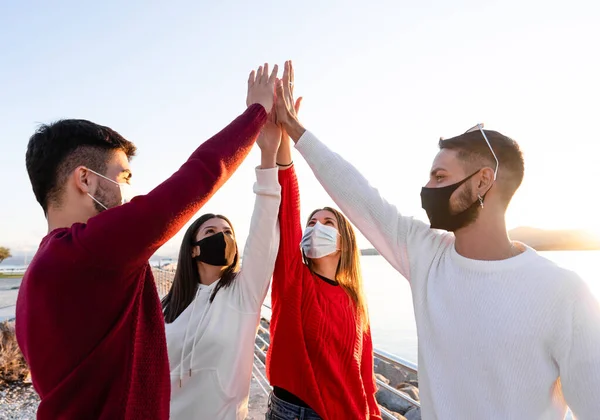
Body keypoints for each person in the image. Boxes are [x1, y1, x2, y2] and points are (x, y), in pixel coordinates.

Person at [273, 61, 600, 419]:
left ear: (482, 181)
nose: (428, 188)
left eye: (440, 176)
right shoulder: (427, 256)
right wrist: (296, 131)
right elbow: (358, 194)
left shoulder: (562, 292)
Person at [16, 63, 278, 419]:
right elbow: (196, 178)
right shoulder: (92, 250)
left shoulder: (37, 277)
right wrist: (256, 113)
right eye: (122, 176)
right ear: (85, 180)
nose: (128, 192)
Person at [265, 62, 381, 420]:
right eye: (312, 223)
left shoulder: (355, 302)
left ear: (343, 242)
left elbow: (363, 378)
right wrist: (285, 137)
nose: (316, 227)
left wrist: (374, 414)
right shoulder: (293, 281)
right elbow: (287, 206)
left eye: (327, 222)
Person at [162, 110, 282, 419]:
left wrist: (268, 158)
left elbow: (264, 229)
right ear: (192, 250)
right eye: (211, 232)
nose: (223, 238)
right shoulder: (165, 307)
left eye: (228, 232)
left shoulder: (244, 294)